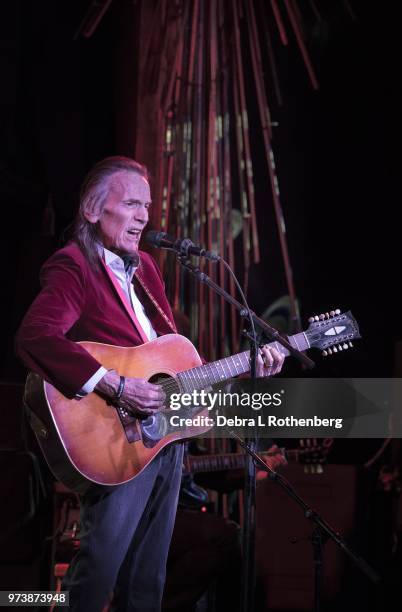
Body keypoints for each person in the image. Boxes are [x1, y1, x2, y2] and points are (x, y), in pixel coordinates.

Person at [15, 156, 285, 611]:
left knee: (148, 580)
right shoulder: (75, 265)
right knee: (99, 571)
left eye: (148, 205)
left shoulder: (146, 271)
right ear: (93, 210)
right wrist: (116, 386)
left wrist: (250, 365)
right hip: (114, 434)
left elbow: (171, 366)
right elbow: (35, 335)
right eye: (132, 203)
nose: (144, 215)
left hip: (161, 437)